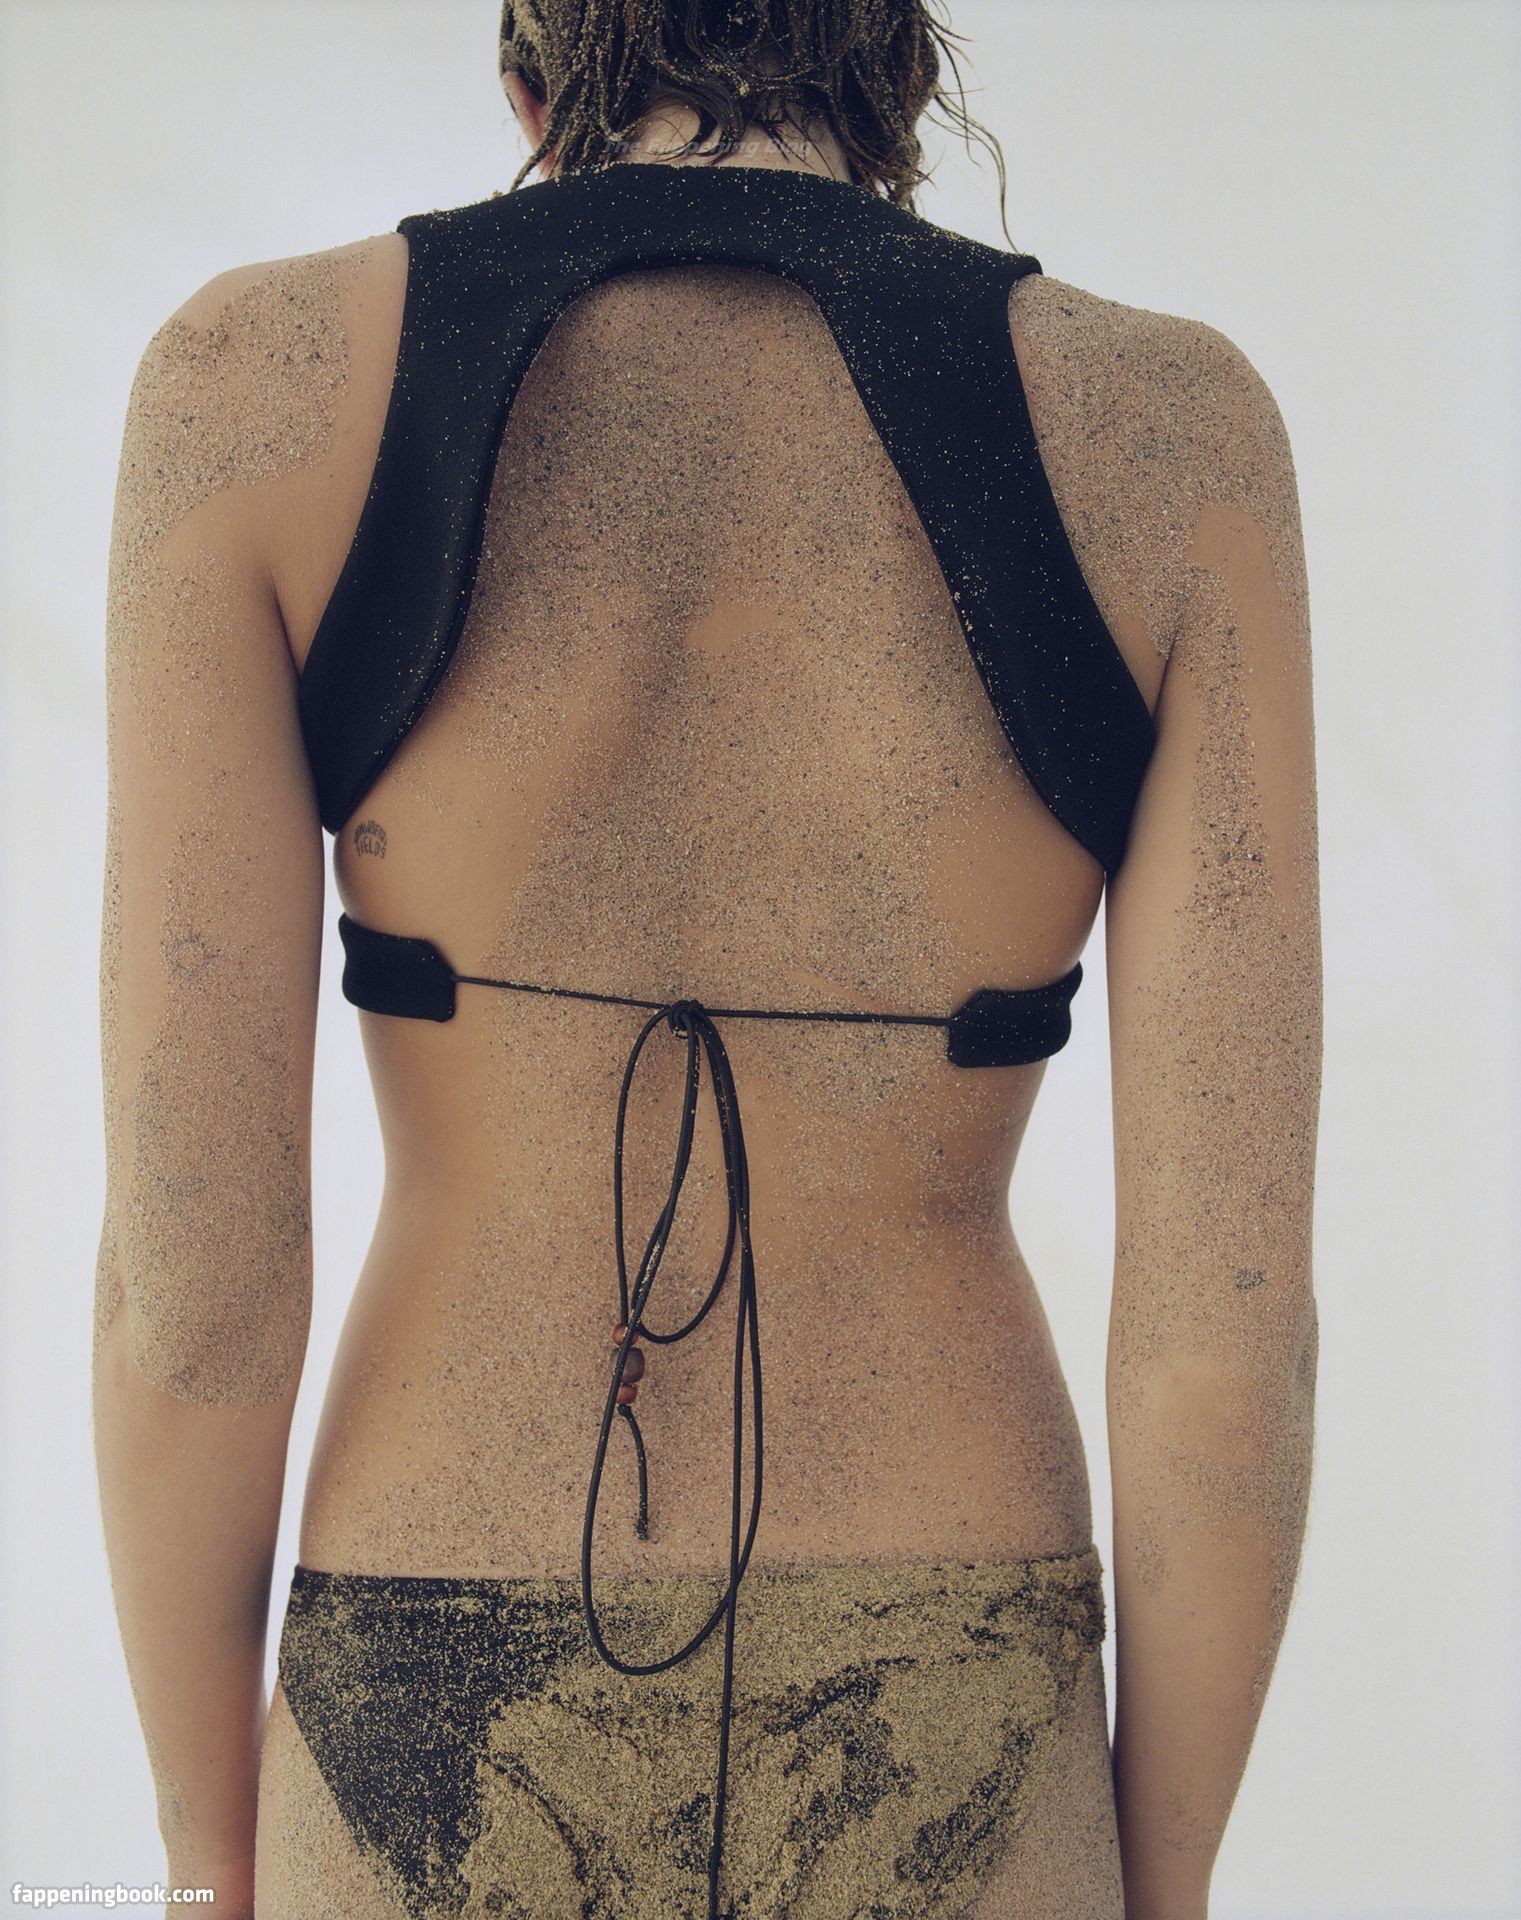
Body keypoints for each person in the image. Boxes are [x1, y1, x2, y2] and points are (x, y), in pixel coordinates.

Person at [92, 3, 1323, 1916]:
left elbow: (195, 1287)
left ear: (530, 80)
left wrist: (203, 1859)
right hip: (954, 1645)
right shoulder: (1168, 435)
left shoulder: (253, 391)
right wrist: (1151, 1889)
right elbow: (1223, 1348)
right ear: (901, 76)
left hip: (431, 1640)